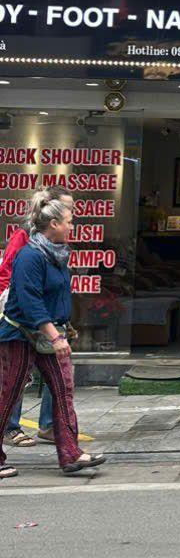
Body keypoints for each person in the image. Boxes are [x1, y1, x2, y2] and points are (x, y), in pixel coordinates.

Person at [0, 195, 105, 480]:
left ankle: (71, 454)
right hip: (20, 334)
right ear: (54, 224)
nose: (73, 226)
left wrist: (64, 326)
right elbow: (30, 301)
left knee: (63, 391)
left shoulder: (57, 254)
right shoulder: (30, 256)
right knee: (9, 394)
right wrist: (56, 337)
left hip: (49, 333)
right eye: (69, 222)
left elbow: (56, 296)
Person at [1, 189, 74, 448]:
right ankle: (10, 427)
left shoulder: (59, 248)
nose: (72, 219)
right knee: (15, 380)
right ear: (52, 216)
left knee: (61, 381)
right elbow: (13, 278)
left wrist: (62, 322)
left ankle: (57, 434)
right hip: (21, 323)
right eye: (68, 211)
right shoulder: (27, 244)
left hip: (47, 324)